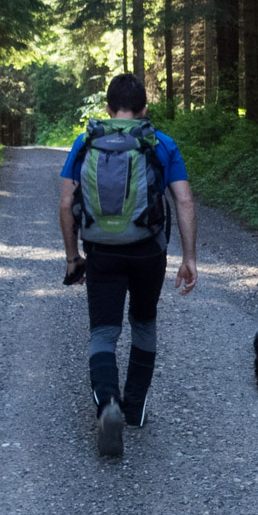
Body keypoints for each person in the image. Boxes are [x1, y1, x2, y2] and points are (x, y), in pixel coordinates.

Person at [57, 73, 198, 458]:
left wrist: (73, 257)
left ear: (107, 108)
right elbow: (184, 201)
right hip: (148, 250)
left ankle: (108, 405)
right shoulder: (160, 143)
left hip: (101, 251)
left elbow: (67, 203)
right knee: (143, 323)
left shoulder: (85, 142)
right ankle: (134, 410)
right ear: (144, 109)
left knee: (103, 332)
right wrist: (189, 258)